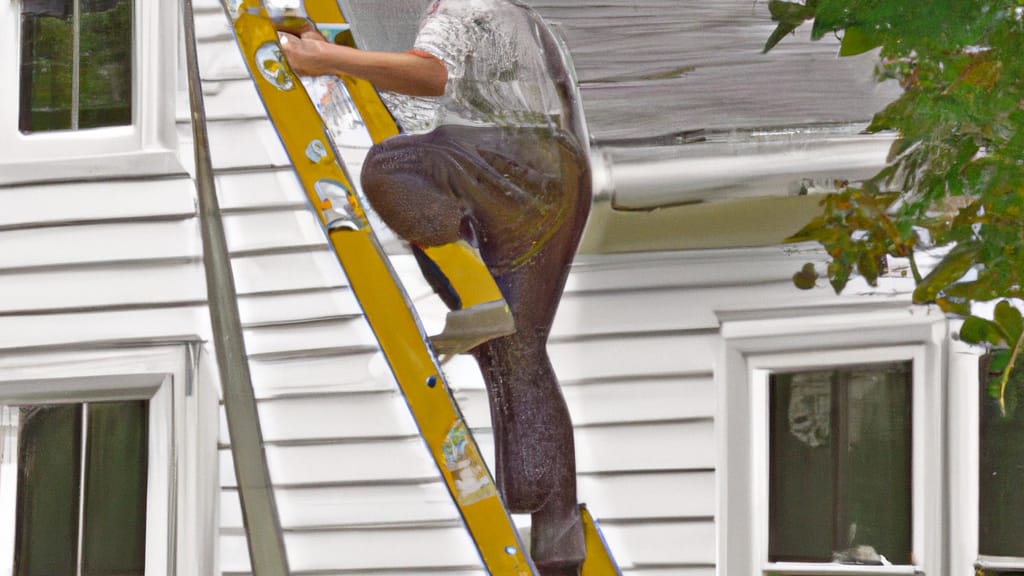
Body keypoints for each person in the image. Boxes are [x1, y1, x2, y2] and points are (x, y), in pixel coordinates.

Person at [278, 2, 591, 574]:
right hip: (557, 176)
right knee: (514, 352)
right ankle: (557, 535)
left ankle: (476, 298)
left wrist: (326, 56)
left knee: (391, 167)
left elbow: (430, 75)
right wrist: (340, 61)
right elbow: (418, 92)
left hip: (517, 160)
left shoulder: (464, 4)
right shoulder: (515, 17)